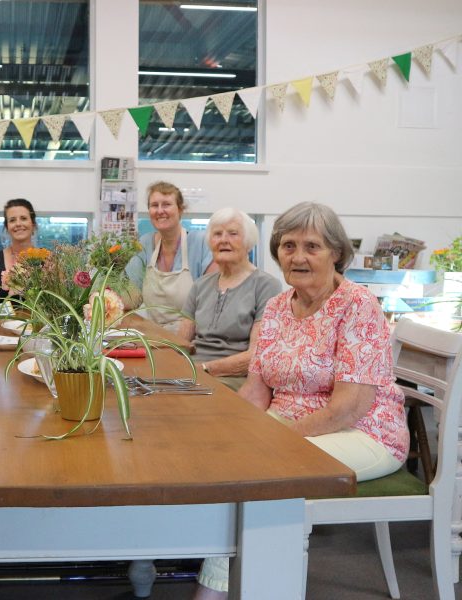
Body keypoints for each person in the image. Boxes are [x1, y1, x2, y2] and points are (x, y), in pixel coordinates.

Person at [192, 202, 408, 600]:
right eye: (288, 246)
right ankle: (237, 576)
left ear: (336, 253)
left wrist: (278, 441)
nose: (298, 256)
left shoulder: (359, 307)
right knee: (215, 454)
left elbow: (349, 407)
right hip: (289, 427)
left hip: (364, 434)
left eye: (312, 246)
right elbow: (256, 391)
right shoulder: (277, 307)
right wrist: (229, 429)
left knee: (263, 470)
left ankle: (221, 591)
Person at [178, 208, 281, 391]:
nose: (223, 240)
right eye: (217, 234)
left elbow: (256, 354)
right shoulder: (200, 285)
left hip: (233, 377)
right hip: (192, 371)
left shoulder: (266, 285)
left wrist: (205, 369)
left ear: (248, 243)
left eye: (233, 234)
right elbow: (181, 342)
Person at [125, 181, 217, 329]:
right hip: (154, 338)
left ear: (180, 210)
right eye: (154, 205)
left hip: (194, 338)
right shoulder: (145, 245)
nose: (160, 211)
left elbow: (212, 301)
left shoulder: (200, 243)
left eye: (166, 204)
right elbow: (131, 297)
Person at [0, 198, 37, 302]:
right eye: (12, 220)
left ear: (33, 224)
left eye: (23, 218)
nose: (18, 224)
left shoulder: (49, 259)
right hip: (1, 319)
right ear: (7, 227)